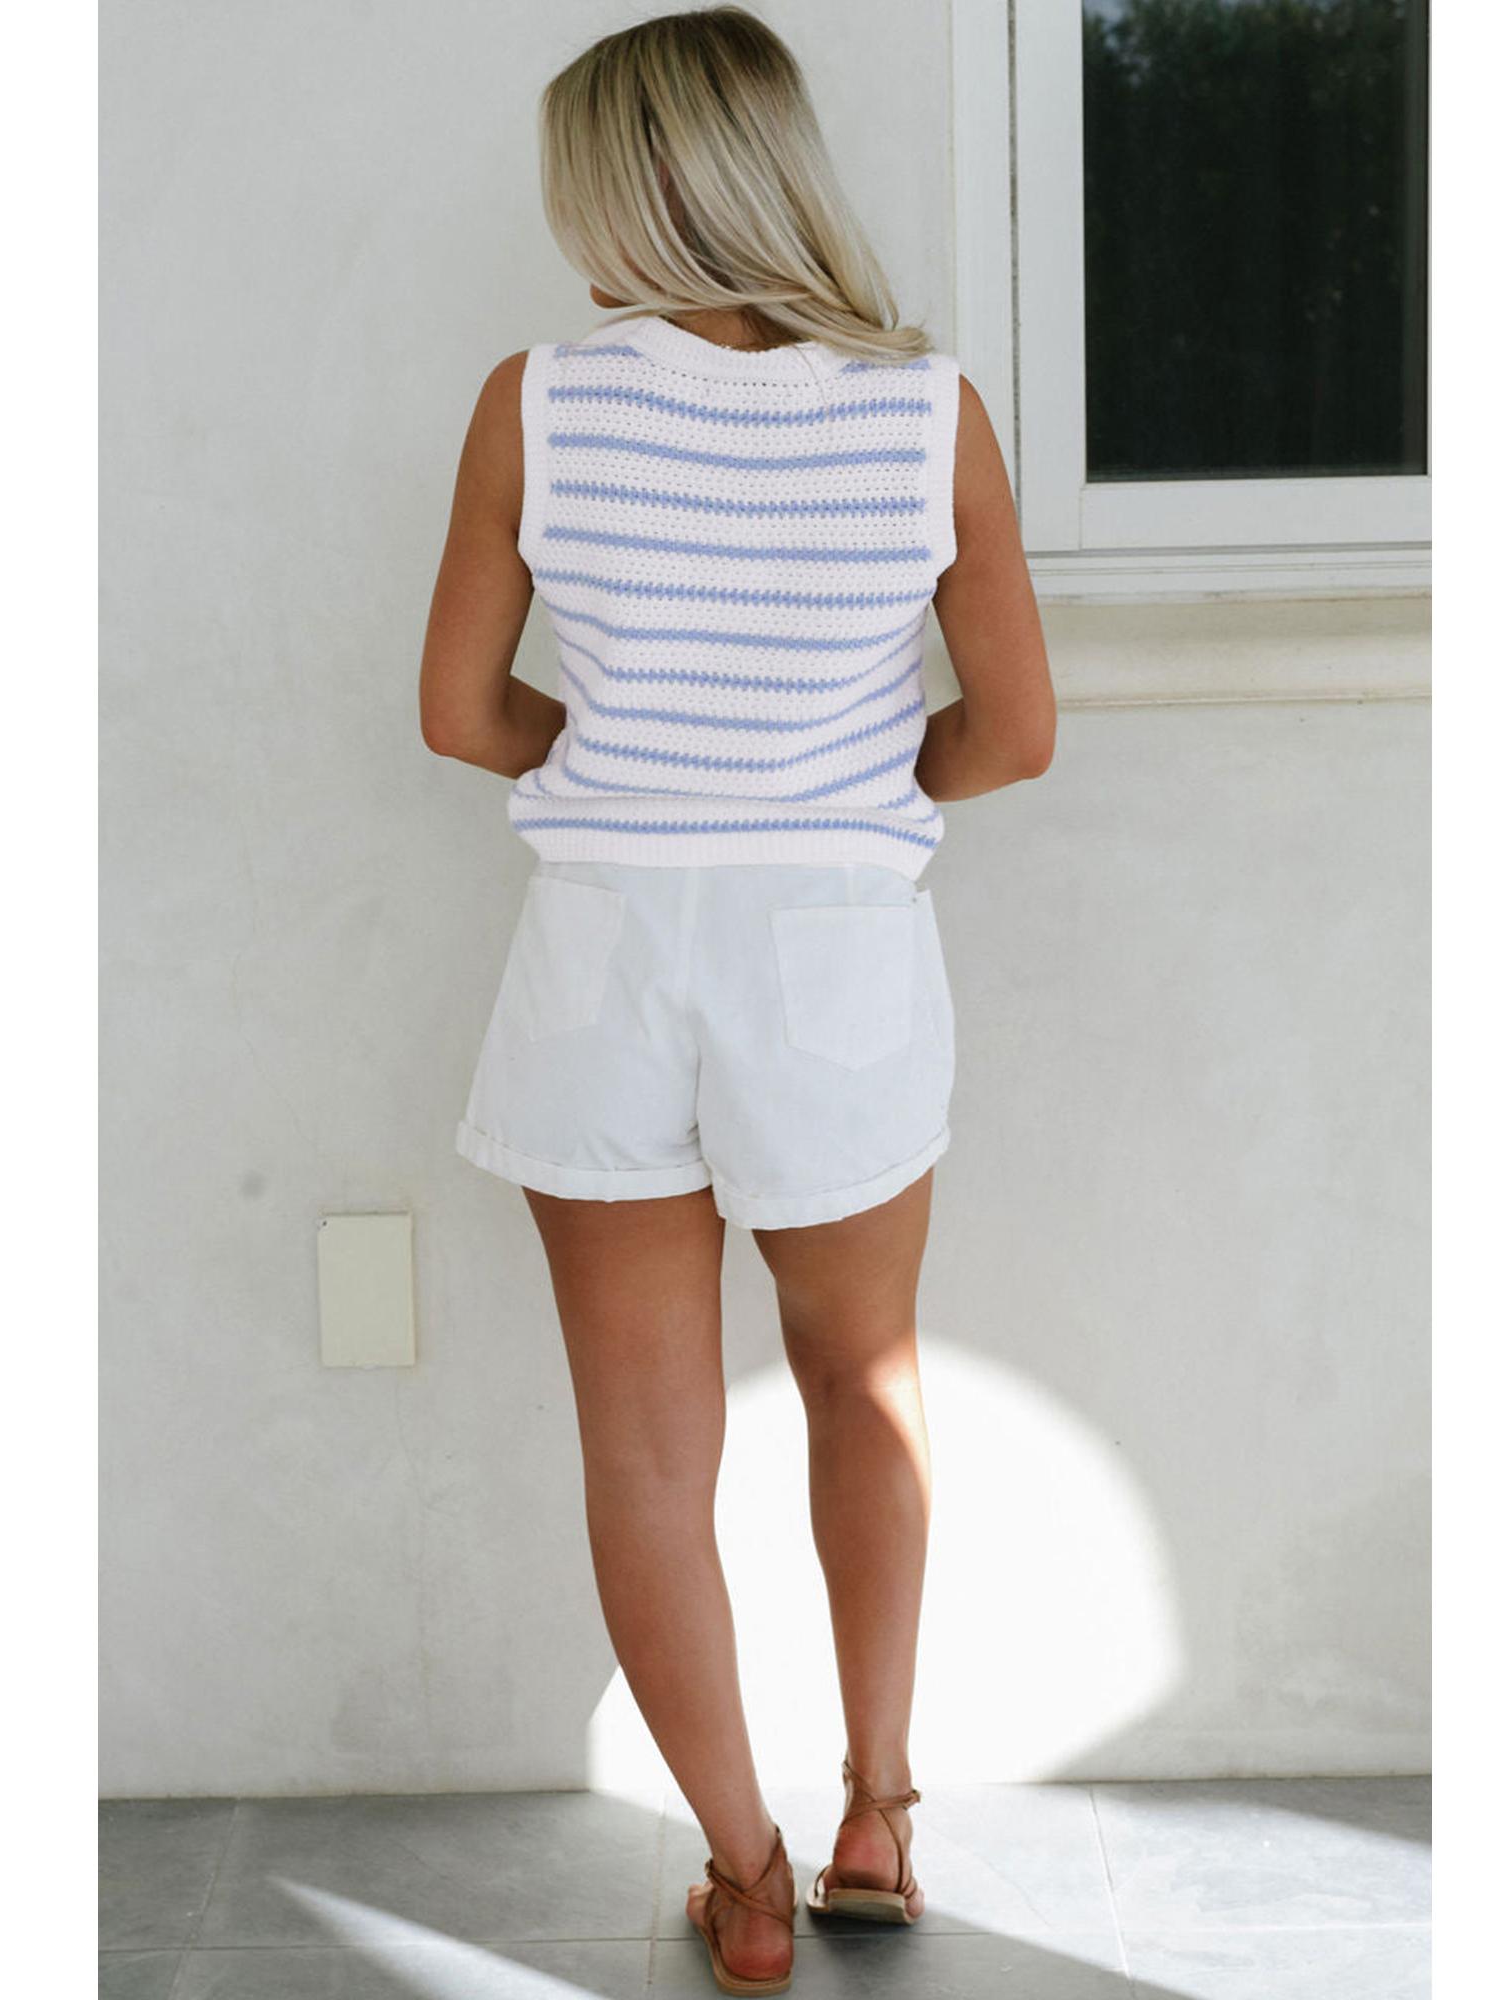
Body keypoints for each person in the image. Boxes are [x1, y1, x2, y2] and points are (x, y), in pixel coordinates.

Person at [419, 8, 1055, 1991]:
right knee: (863, 1377)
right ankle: (876, 1812)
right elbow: (1014, 731)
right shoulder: (925, 410)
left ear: (628, 190)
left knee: (642, 1452)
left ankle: (747, 1878)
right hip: (834, 949)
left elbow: (456, 711)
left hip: (603, 950)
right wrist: (846, 791)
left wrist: (616, 765)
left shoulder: (537, 401)